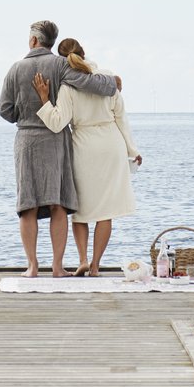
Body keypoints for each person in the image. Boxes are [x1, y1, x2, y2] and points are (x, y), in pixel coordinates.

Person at [0, 20, 120, 277]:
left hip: (27, 140)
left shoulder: (15, 69)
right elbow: (94, 84)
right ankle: (56, 267)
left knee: (28, 204)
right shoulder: (61, 65)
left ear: (33, 40)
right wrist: (113, 82)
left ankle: (32, 267)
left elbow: (5, 110)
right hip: (55, 140)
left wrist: (25, 114)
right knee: (58, 205)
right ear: (52, 41)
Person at [32, 38, 142, 277]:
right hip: (111, 143)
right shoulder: (107, 78)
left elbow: (56, 122)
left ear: (62, 61)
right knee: (106, 210)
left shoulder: (67, 87)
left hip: (83, 146)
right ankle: (95, 265)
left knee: (81, 209)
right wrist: (132, 150)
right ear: (84, 52)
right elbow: (121, 117)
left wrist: (43, 99)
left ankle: (82, 259)